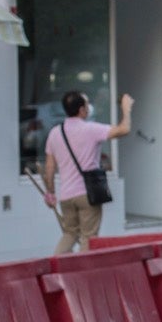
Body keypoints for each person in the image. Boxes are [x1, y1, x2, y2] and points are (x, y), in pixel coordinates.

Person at [42, 90, 134, 254]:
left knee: (69, 234)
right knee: (88, 237)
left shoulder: (55, 133)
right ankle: (82, 273)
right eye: (86, 104)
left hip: (66, 196)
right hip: (87, 194)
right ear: (82, 110)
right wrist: (126, 109)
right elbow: (124, 129)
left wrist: (50, 193)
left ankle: (55, 265)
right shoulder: (91, 129)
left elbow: (49, 168)